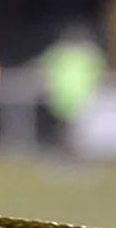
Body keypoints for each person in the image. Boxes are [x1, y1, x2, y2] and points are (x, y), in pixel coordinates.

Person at [39, 24, 107, 156]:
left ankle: (69, 154)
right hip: (65, 98)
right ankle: (66, 154)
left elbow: (100, 74)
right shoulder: (65, 53)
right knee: (67, 129)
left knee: (73, 130)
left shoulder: (88, 55)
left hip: (77, 98)